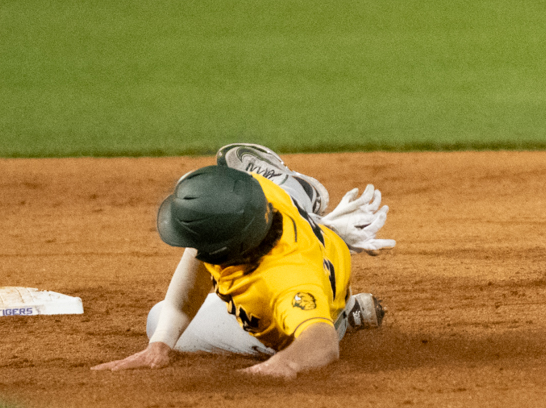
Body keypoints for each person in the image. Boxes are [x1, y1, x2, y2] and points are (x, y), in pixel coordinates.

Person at [94, 143, 392, 380]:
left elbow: (322, 344)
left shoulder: (283, 284)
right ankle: (300, 200)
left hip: (316, 302)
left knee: (157, 319)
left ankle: (347, 316)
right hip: (310, 250)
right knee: (216, 213)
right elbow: (207, 241)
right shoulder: (258, 195)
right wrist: (159, 346)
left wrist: (282, 363)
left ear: (227, 249)